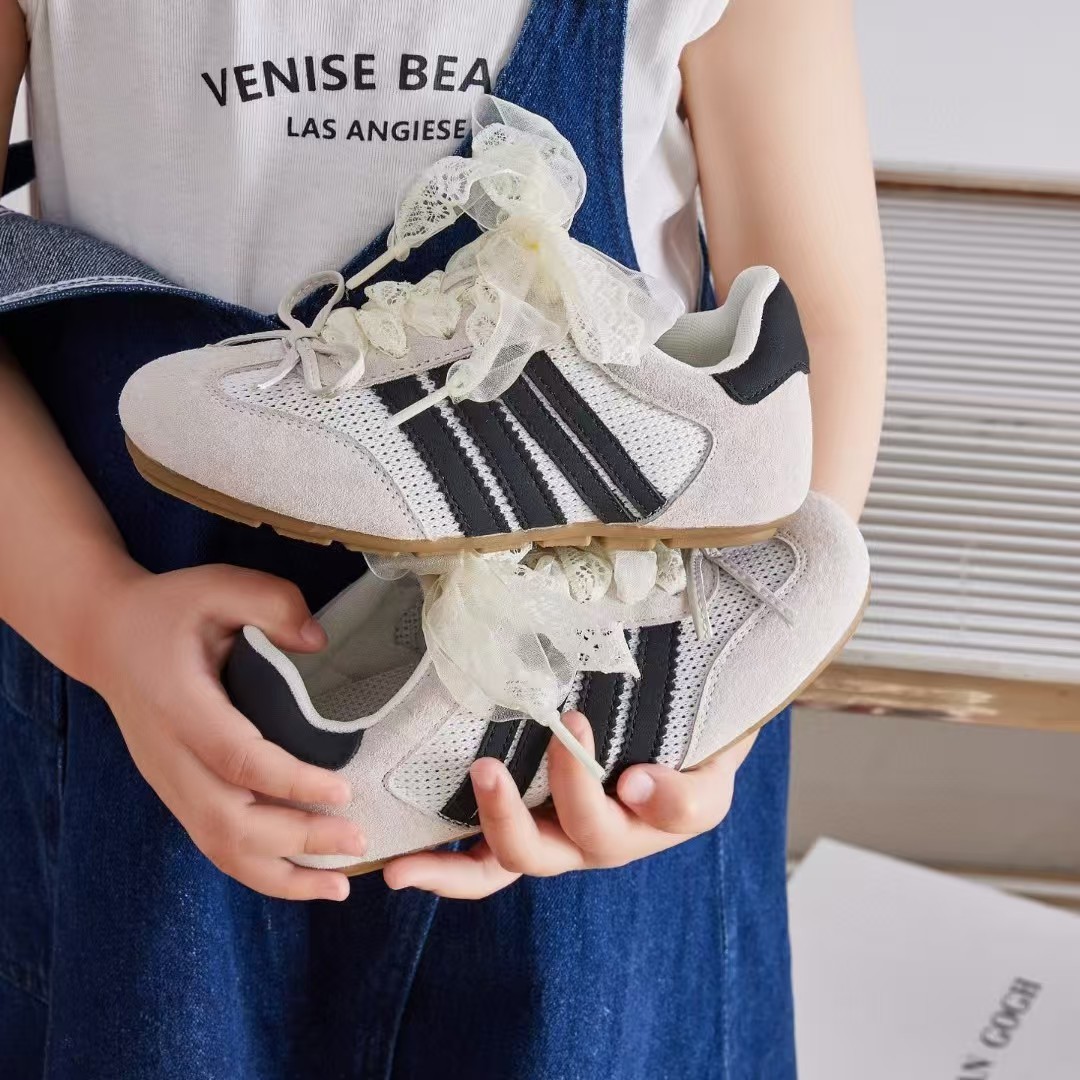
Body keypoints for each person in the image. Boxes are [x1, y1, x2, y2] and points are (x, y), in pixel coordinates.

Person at [0, 1, 885, 1076]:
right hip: (141, 667)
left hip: (598, 668)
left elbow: (806, 329)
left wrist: (717, 704)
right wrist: (94, 614)